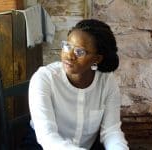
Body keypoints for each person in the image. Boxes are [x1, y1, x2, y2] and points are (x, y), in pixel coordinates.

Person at [27, 19, 129, 150]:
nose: (69, 56)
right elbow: (48, 137)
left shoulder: (107, 82)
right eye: (67, 46)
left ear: (97, 59)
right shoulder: (44, 79)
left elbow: (111, 132)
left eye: (79, 52)